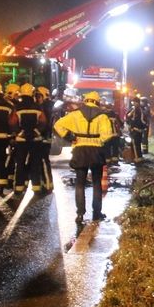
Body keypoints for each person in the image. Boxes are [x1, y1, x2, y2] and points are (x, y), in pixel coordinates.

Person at [53, 91, 114, 224]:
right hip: (96, 151)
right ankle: (96, 214)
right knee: (97, 183)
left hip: (80, 150)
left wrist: (70, 137)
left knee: (80, 184)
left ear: (85, 100)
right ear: (97, 102)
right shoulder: (102, 116)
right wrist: (100, 140)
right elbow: (108, 135)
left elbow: (58, 125)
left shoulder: (75, 114)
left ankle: (80, 214)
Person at [10, 83, 46, 195]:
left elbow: (12, 122)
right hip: (36, 140)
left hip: (21, 140)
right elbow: (43, 122)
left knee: (20, 164)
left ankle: (19, 188)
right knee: (35, 163)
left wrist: (20, 133)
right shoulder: (38, 107)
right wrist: (36, 132)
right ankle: (36, 188)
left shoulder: (17, 107)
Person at [31, 86, 55, 193]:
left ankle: (48, 184)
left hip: (44, 138)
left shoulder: (46, 107)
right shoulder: (46, 106)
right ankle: (43, 183)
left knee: (44, 161)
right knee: (40, 161)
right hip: (43, 137)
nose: (36, 98)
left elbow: (46, 123)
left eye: (38, 96)